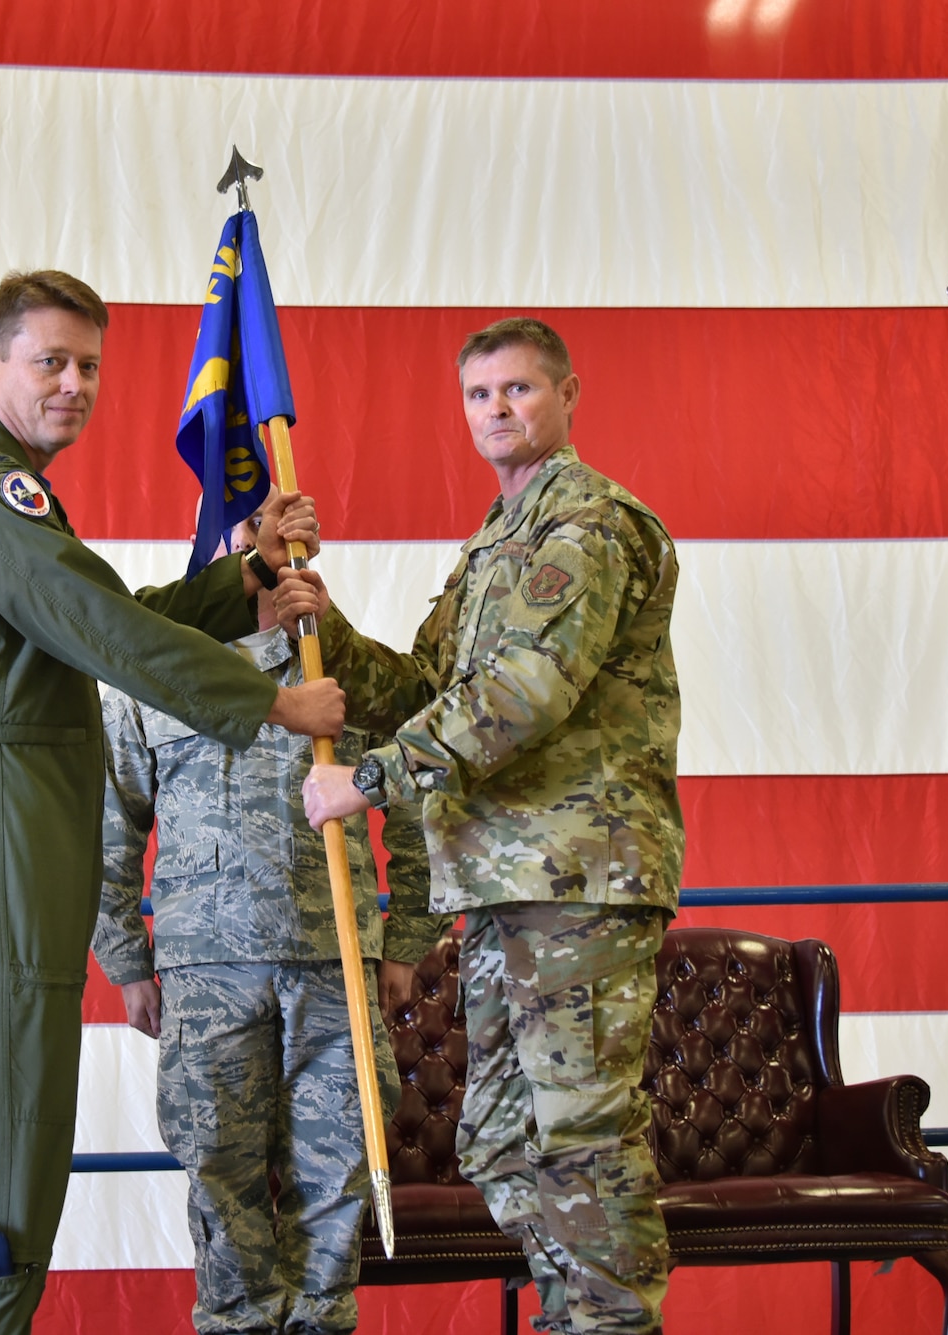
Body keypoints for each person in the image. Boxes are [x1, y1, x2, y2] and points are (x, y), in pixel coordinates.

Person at [0, 268, 345, 1335]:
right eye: (50, 361)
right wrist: (270, 704)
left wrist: (238, 581)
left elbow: (91, 610)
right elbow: (102, 633)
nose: (75, 383)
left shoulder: (1, 491)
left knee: (7, 1106)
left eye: (89, 365)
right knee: (3, 1114)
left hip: (2, 811)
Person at [288, 317, 682, 1334]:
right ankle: (575, 1321)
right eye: (478, 395)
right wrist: (317, 624)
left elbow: (523, 693)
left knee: (582, 1140)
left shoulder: (585, 527)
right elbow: (426, 688)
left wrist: (368, 781)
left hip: (574, 880)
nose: (497, 410)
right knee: (503, 1143)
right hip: (501, 884)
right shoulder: (489, 549)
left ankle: (610, 1324)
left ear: (566, 393)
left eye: (517, 389)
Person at [92, 509, 447, 1335]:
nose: (268, 541)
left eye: (277, 520)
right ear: (219, 541)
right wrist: (127, 960)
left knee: (339, 1169)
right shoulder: (157, 669)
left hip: (335, 966)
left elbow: (423, 796)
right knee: (219, 1168)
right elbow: (109, 823)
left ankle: (321, 1322)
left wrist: (405, 940)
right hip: (206, 971)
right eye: (244, 523)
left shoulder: (342, 665)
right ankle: (238, 1321)